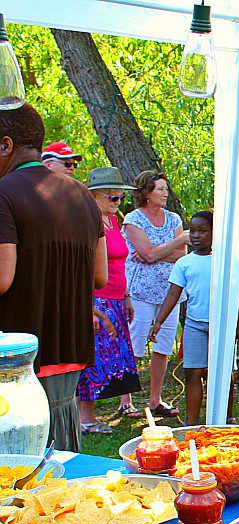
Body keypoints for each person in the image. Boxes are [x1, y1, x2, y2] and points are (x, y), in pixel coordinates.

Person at [0, 103, 108, 452]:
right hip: (70, 347)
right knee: (64, 455)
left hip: (17, 356)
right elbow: (101, 276)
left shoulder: (3, 193)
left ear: (5, 145)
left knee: (21, 460)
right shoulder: (82, 195)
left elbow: (3, 276)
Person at [77, 167, 142, 434]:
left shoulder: (113, 222)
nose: (117, 203)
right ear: (93, 196)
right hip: (97, 299)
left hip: (115, 297)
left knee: (113, 357)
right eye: (111, 197)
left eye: (120, 198)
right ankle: (85, 418)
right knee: (94, 358)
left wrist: (126, 296)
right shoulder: (86, 222)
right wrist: (89, 308)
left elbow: (120, 262)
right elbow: (81, 266)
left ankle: (97, 413)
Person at [122, 170, 189, 420]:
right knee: (135, 343)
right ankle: (125, 399)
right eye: (160, 189)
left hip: (170, 292)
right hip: (140, 292)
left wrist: (155, 252)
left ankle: (155, 399)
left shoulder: (173, 219)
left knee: (164, 346)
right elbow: (147, 254)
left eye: (165, 189)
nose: (165, 193)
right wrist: (168, 247)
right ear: (147, 193)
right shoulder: (133, 219)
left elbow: (181, 255)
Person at [147, 212, 225, 425]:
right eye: (193, 231)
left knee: (224, 373)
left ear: (214, 232)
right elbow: (173, 294)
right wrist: (159, 322)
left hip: (221, 324)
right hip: (194, 324)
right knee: (193, 372)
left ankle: (225, 419)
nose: (196, 235)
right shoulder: (184, 263)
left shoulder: (224, 260)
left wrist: (235, 323)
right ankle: (192, 423)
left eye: (203, 231)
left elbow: (237, 294)